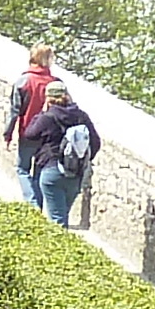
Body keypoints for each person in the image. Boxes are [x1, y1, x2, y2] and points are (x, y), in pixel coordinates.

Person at [17, 78, 97, 229]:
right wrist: (78, 160)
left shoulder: (48, 117)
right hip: (76, 174)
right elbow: (96, 142)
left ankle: (55, 249)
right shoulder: (81, 116)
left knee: (58, 222)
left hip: (51, 171)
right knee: (62, 214)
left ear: (48, 98)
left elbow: (30, 134)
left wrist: (40, 113)